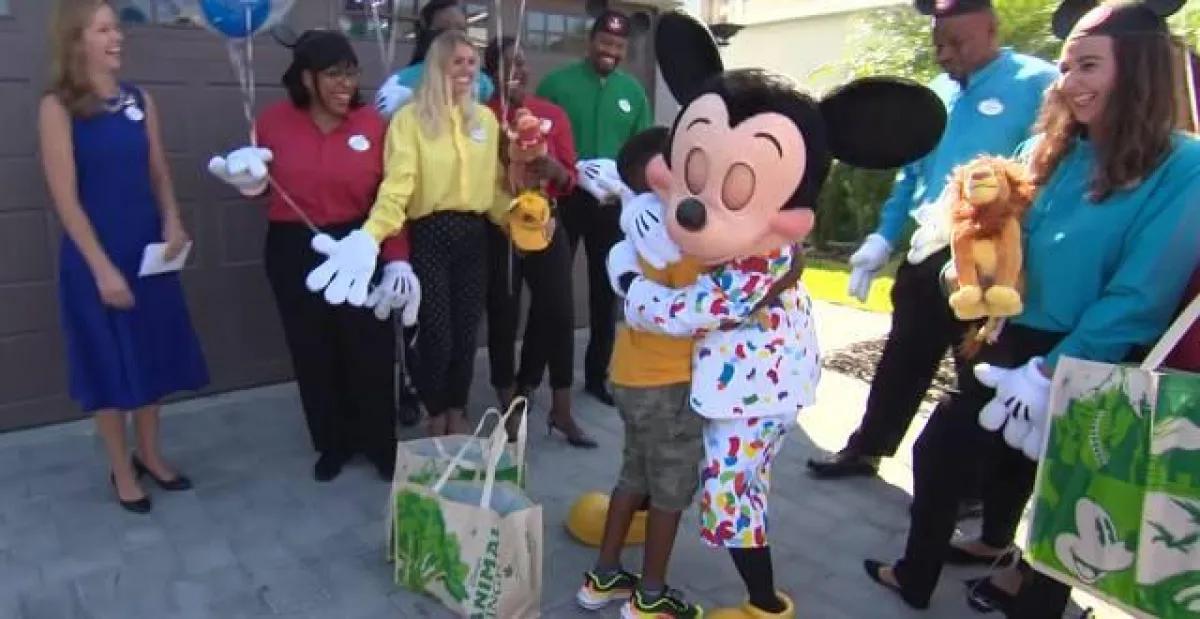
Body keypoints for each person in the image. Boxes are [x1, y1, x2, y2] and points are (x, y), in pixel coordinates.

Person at [863, 2, 1200, 614]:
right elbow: (994, 238)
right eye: (1066, 67)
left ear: (1140, 68)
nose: (1068, 82)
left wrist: (1050, 372)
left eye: (1088, 66)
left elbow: (1142, 293)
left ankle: (1032, 594)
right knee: (944, 454)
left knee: (1063, 496)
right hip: (1006, 336)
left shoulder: (1184, 165)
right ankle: (925, 571)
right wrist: (959, 267)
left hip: (1093, 362)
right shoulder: (1046, 147)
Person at [808, 0, 1058, 510]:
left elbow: (1049, 172)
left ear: (992, 30)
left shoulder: (1037, 84)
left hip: (987, 259)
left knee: (977, 370)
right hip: (928, 248)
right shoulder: (937, 95)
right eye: (938, 44)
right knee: (902, 356)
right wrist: (882, 238)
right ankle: (867, 447)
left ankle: (968, 489)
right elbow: (911, 175)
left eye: (957, 43)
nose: (945, 54)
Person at [207, 30, 419, 483]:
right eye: (333, 74)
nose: (346, 83)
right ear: (307, 77)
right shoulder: (272, 123)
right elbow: (261, 189)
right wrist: (248, 182)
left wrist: (397, 258)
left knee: (370, 348)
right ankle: (332, 443)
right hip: (294, 247)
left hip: (361, 243)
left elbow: (392, 197)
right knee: (313, 349)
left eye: (351, 73)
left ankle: (379, 444)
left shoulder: (373, 125)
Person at [39, 0, 209, 514]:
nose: (118, 37)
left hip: (146, 252)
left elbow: (158, 172)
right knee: (108, 365)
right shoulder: (58, 107)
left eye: (117, 28)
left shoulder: (139, 100)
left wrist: (172, 219)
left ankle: (151, 455)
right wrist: (101, 269)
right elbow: (66, 200)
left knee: (152, 355)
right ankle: (120, 468)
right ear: (76, 39)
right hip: (96, 258)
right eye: (104, 29)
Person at [303, 29, 510, 437]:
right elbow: (397, 187)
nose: (467, 70)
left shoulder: (485, 120)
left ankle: (457, 407)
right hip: (430, 234)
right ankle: (435, 409)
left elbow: (494, 188)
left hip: (474, 235)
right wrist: (371, 235)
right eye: (457, 62)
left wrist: (519, 219)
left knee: (467, 334)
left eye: (472, 62)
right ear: (438, 66)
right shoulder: (409, 120)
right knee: (437, 334)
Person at [575, 126, 705, 618]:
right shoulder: (680, 233)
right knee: (670, 489)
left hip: (631, 373)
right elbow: (705, 301)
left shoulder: (638, 225)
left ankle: (604, 575)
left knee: (634, 473)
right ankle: (650, 596)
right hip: (670, 381)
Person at [481, 36, 597, 448]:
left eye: (523, 63)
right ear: (491, 72)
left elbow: (570, 176)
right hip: (498, 228)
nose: (520, 71)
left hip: (546, 222)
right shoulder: (481, 116)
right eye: (509, 64)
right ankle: (508, 404)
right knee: (504, 313)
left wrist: (554, 170)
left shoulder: (551, 115)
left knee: (559, 312)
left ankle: (561, 409)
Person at [535, 9, 652, 406]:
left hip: (611, 205)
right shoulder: (557, 84)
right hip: (564, 199)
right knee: (552, 289)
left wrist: (626, 183)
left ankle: (597, 376)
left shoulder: (633, 93)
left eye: (618, 45)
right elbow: (535, 139)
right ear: (591, 41)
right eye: (605, 42)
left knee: (606, 291)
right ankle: (538, 372)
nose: (610, 50)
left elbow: (644, 151)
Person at [374, 0, 493, 117]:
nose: (453, 37)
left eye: (460, 29)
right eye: (443, 30)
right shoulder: (398, 86)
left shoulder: (482, 82)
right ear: (425, 33)